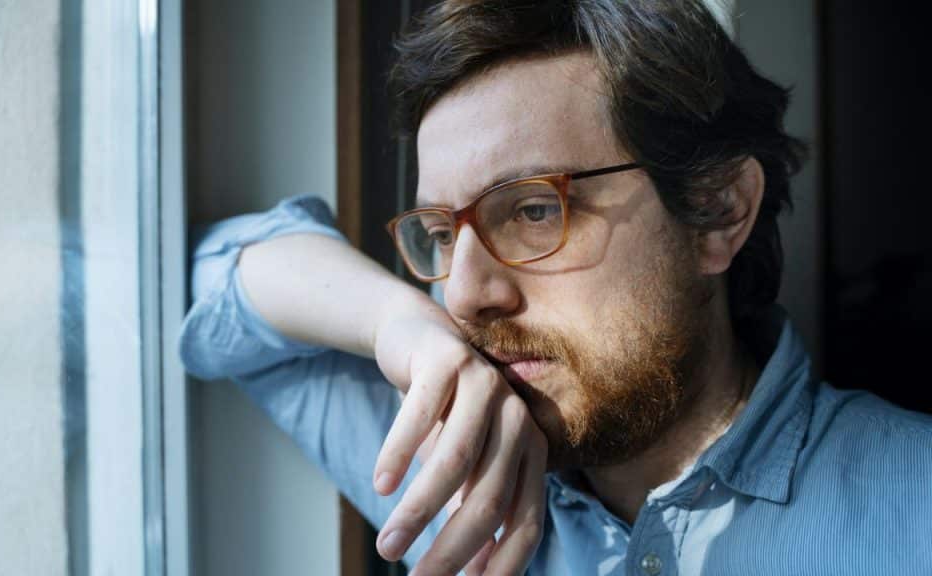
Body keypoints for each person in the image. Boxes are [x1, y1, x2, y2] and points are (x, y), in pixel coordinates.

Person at [179, 1, 932, 574]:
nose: (467, 296)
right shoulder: (444, 463)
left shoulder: (914, 507)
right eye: (443, 235)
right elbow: (220, 278)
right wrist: (392, 321)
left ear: (717, 211)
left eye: (535, 210)